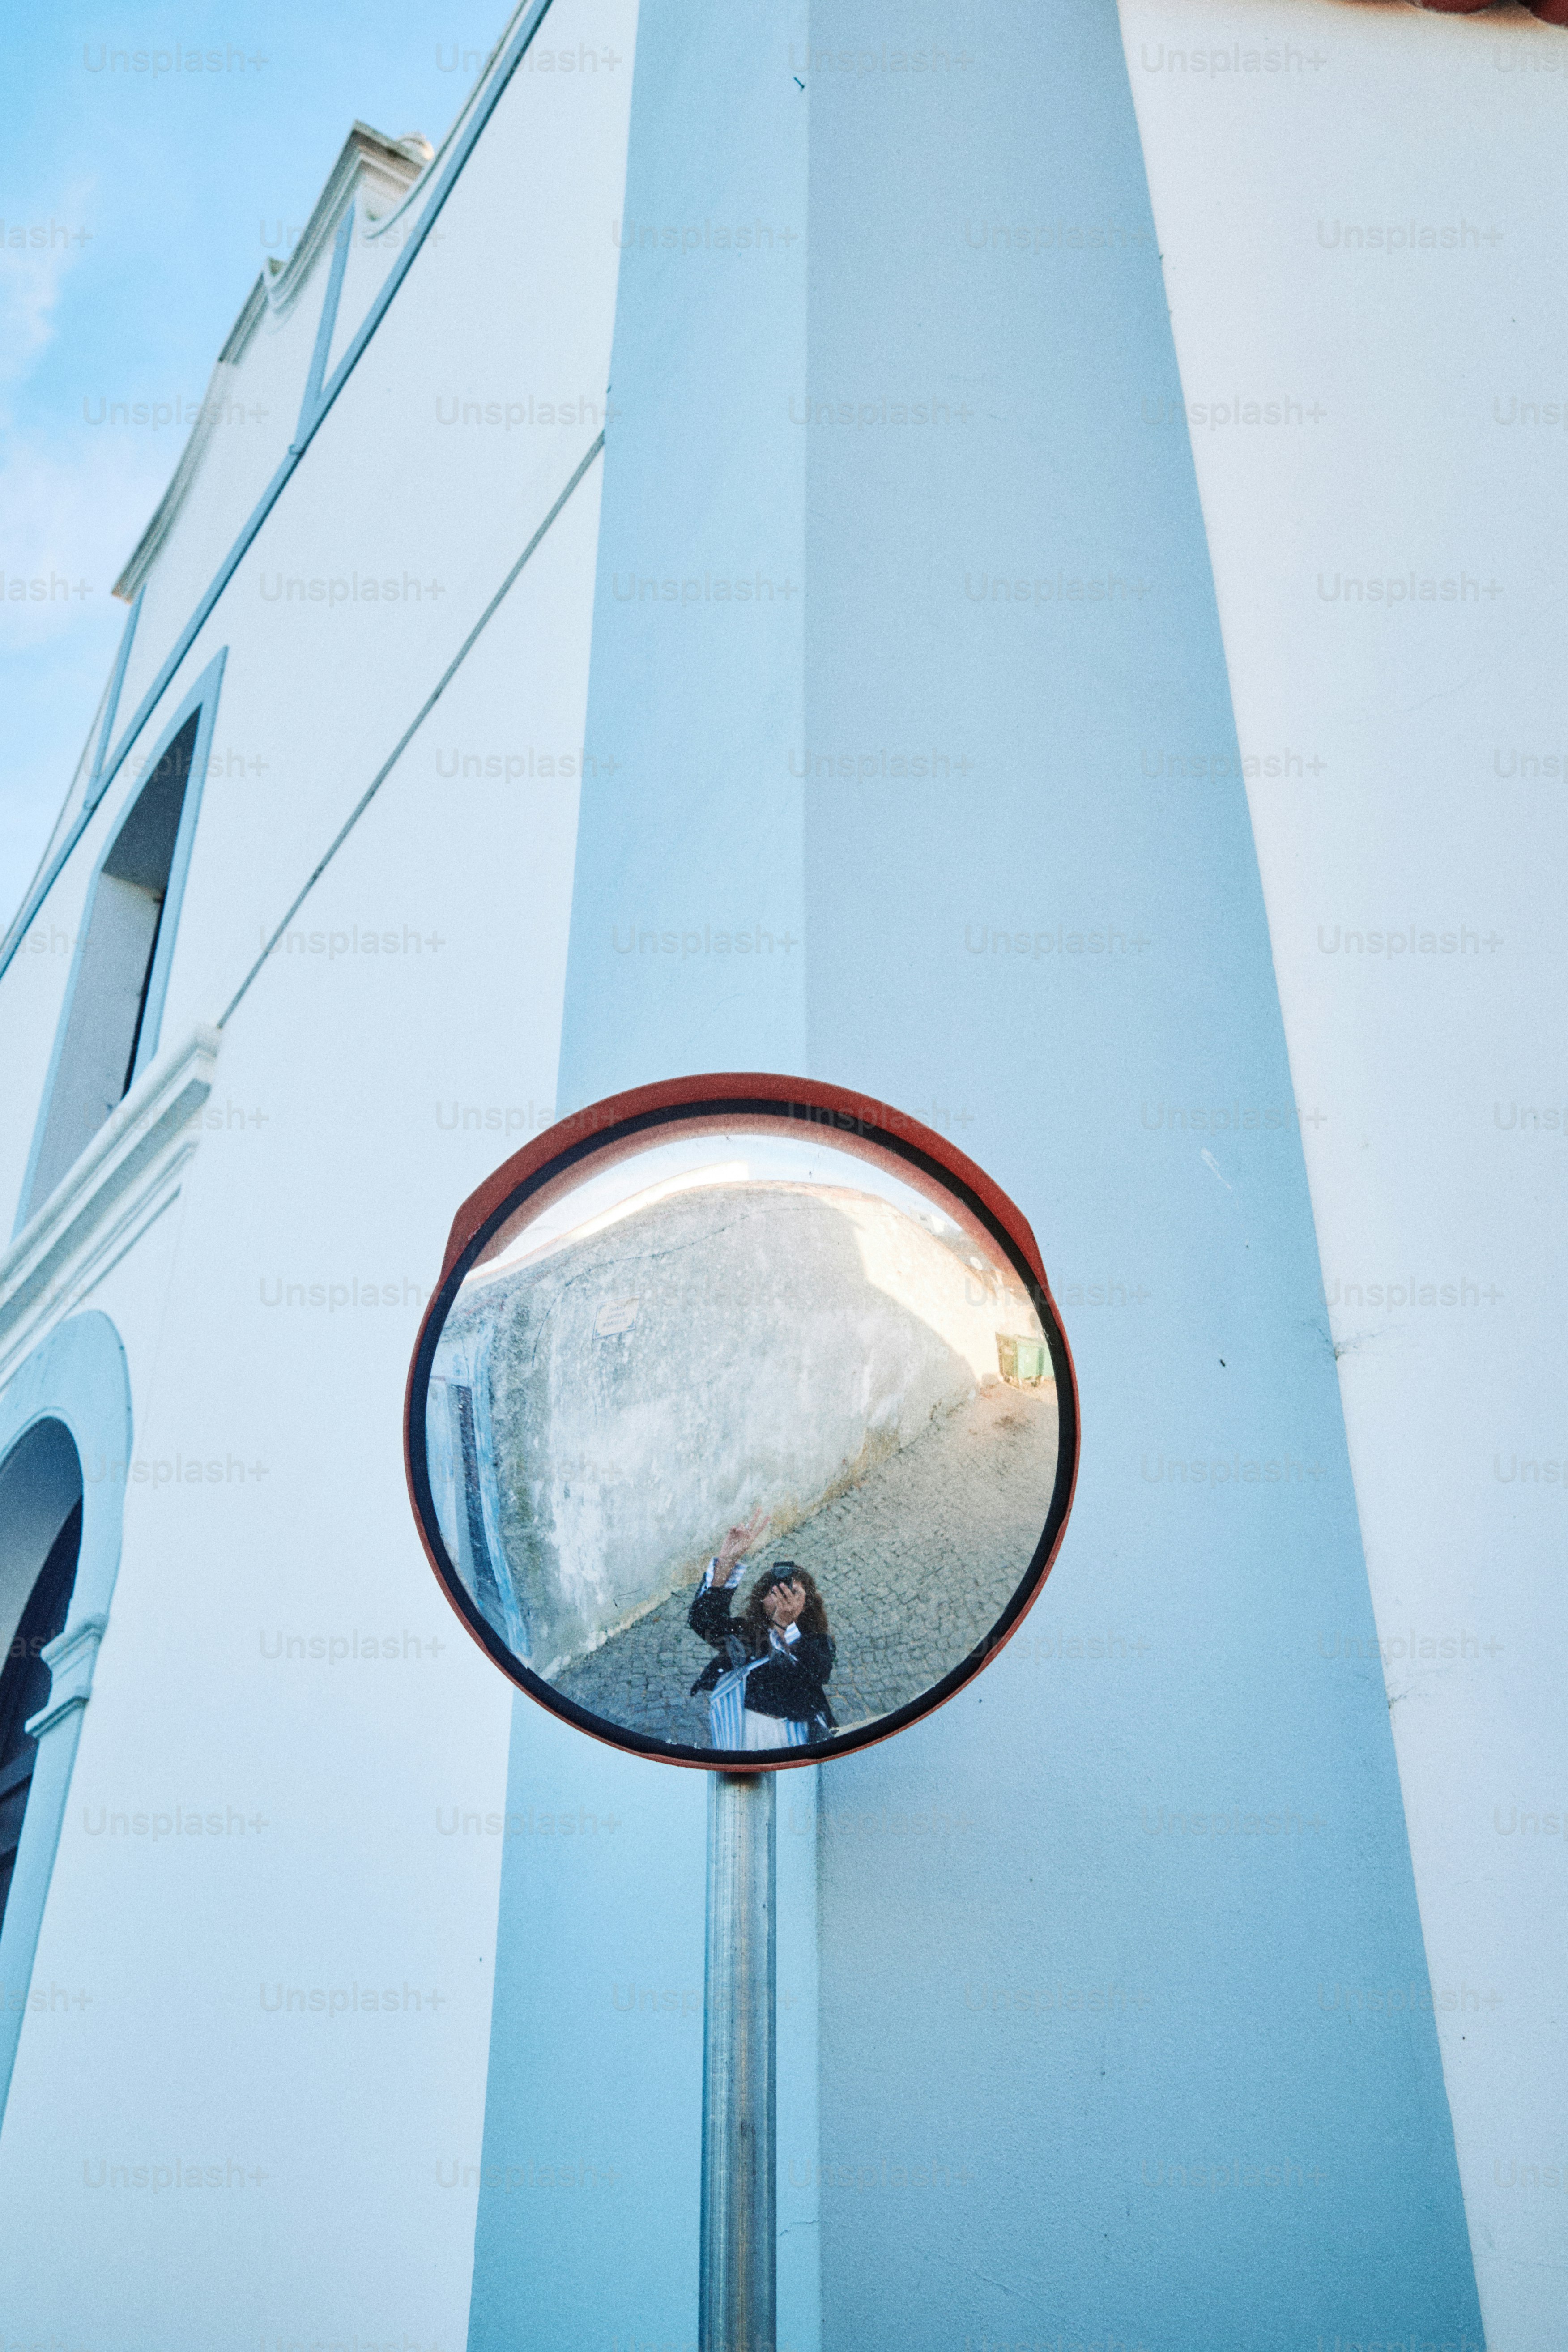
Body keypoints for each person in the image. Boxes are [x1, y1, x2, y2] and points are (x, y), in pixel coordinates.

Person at [688, 1509, 836, 1751]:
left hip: (789, 1736)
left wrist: (784, 1626)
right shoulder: (748, 1633)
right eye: (773, 1592)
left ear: (807, 1603)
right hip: (740, 1730)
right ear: (760, 1599)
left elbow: (810, 1676)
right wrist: (726, 1563)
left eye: (793, 1592)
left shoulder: (817, 1643)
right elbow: (703, 1621)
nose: (781, 1598)